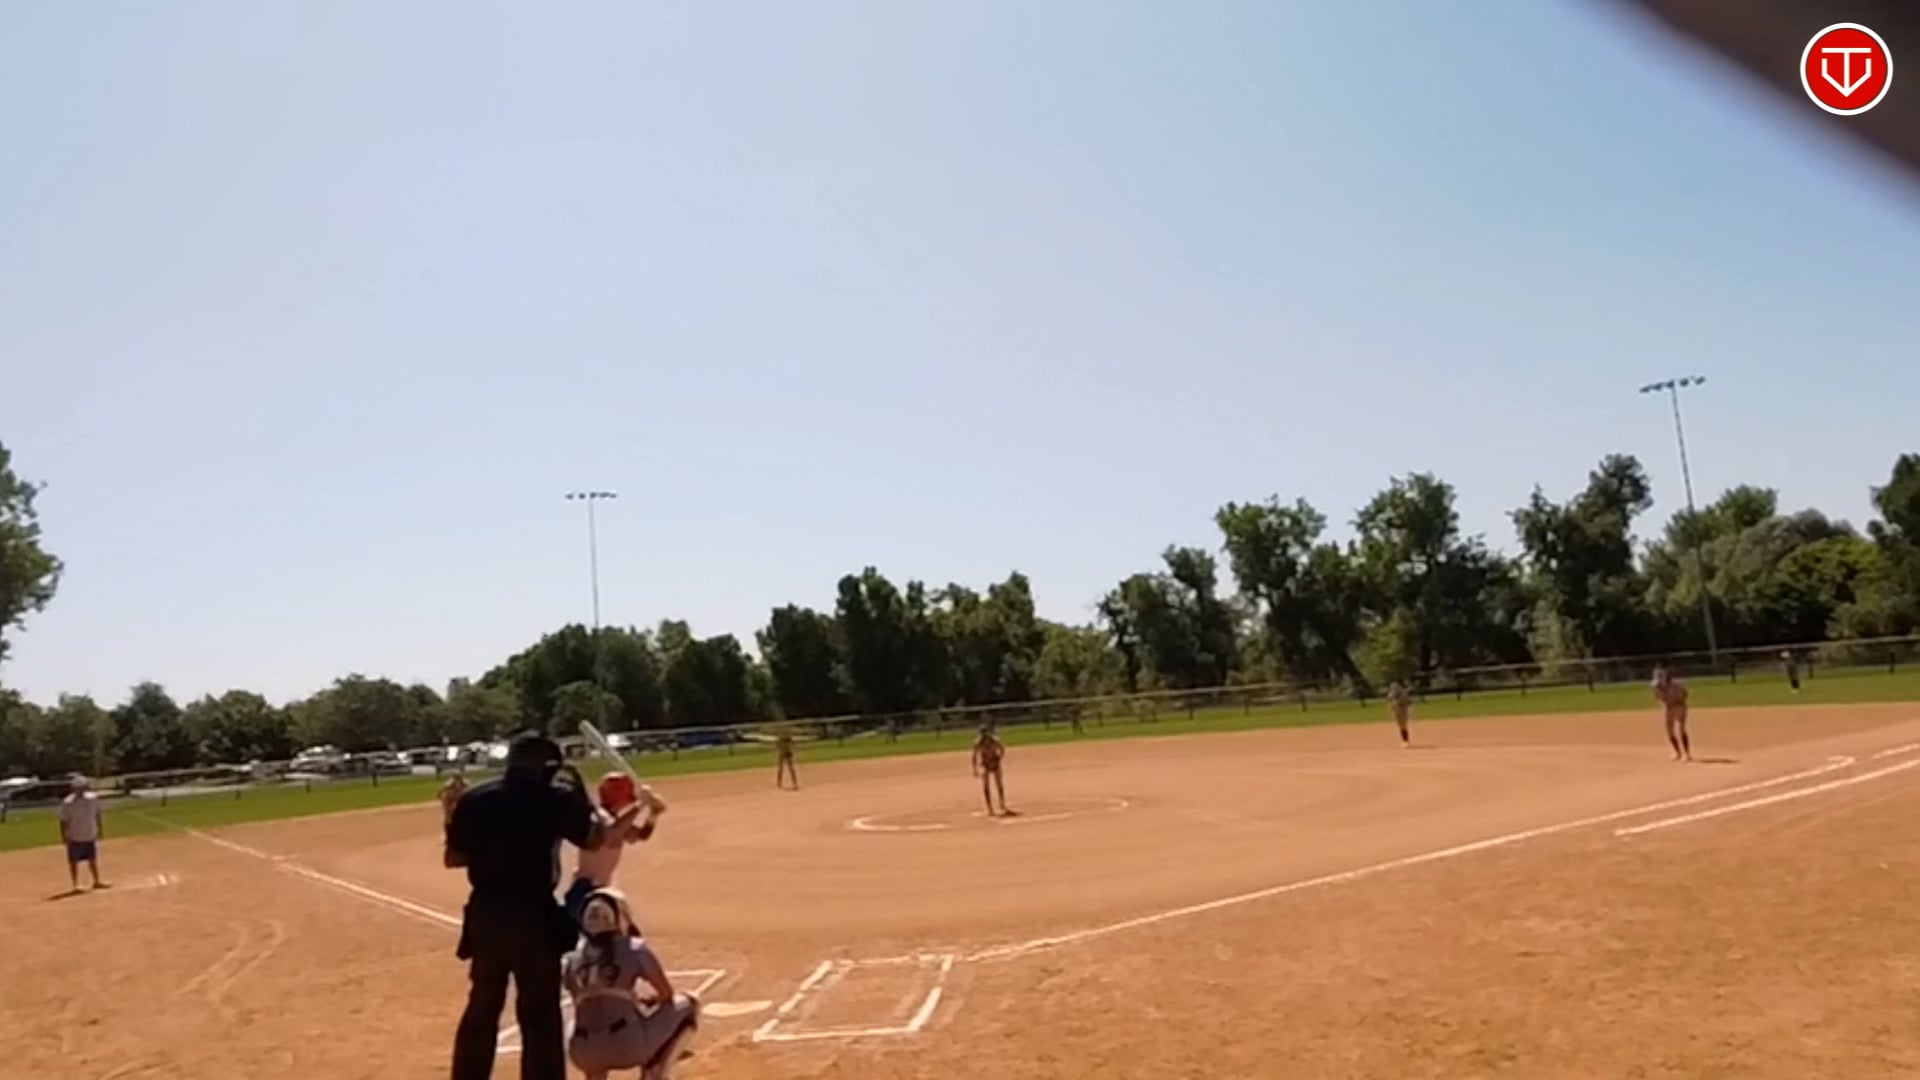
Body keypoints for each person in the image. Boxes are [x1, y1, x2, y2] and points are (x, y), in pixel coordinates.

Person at [445, 732, 647, 1080]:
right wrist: (579, 797)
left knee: (482, 1006)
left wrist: (455, 818)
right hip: (532, 914)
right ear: (547, 766)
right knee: (539, 1011)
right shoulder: (553, 798)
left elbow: (454, 857)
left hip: (486, 915)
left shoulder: (476, 798)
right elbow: (594, 838)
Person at [564, 887, 701, 1080]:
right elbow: (666, 994)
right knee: (690, 1003)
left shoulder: (571, 958)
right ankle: (656, 1070)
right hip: (627, 1046)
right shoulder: (634, 948)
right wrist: (647, 1001)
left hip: (583, 1051)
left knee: (580, 1021)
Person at [562, 773, 660, 923]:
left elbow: (640, 835)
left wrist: (653, 814)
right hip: (585, 891)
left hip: (601, 890)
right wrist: (641, 804)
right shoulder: (599, 817)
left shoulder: (615, 820)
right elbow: (612, 834)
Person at [58, 776, 106, 892]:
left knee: (92, 859)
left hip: (89, 834)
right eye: (79, 787)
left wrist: (100, 829)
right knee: (73, 861)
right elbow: (63, 820)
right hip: (74, 835)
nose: (82, 789)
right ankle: (76, 884)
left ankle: (96, 881)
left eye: (83, 787)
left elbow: (97, 814)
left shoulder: (93, 799)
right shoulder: (68, 802)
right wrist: (64, 835)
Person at [1652, 666, 1693, 762]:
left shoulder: (1676, 685)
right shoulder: (1655, 687)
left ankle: (1687, 754)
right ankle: (1677, 752)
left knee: (1681, 730)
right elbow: (1659, 698)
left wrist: (1678, 701)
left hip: (1679, 706)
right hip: (1668, 707)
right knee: (1669, 732)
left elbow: (1685, 694)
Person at [972, 723, 1008, 817]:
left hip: (995, 763)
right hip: (985, 764)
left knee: (999, 784)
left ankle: (1002, 803)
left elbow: (1002, 749)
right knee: (986, 786)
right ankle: (990, 808)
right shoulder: (978, 743)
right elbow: (974, 756)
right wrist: (975, 768)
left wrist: (999, 758)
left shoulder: (995, 740)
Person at [1386, 681, 1413, 747]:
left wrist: (1407, 708)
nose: (1394, 689)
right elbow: (1389, 701)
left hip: (1403, 711)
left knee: (1403, 726)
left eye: (1395, 687)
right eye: (1393, 687)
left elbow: (1409, 702)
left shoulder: (1403, 695)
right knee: (1400, 726)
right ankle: (1404, 740)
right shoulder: (1391, 695)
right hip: (1396, 712)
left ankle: (1406, 741)